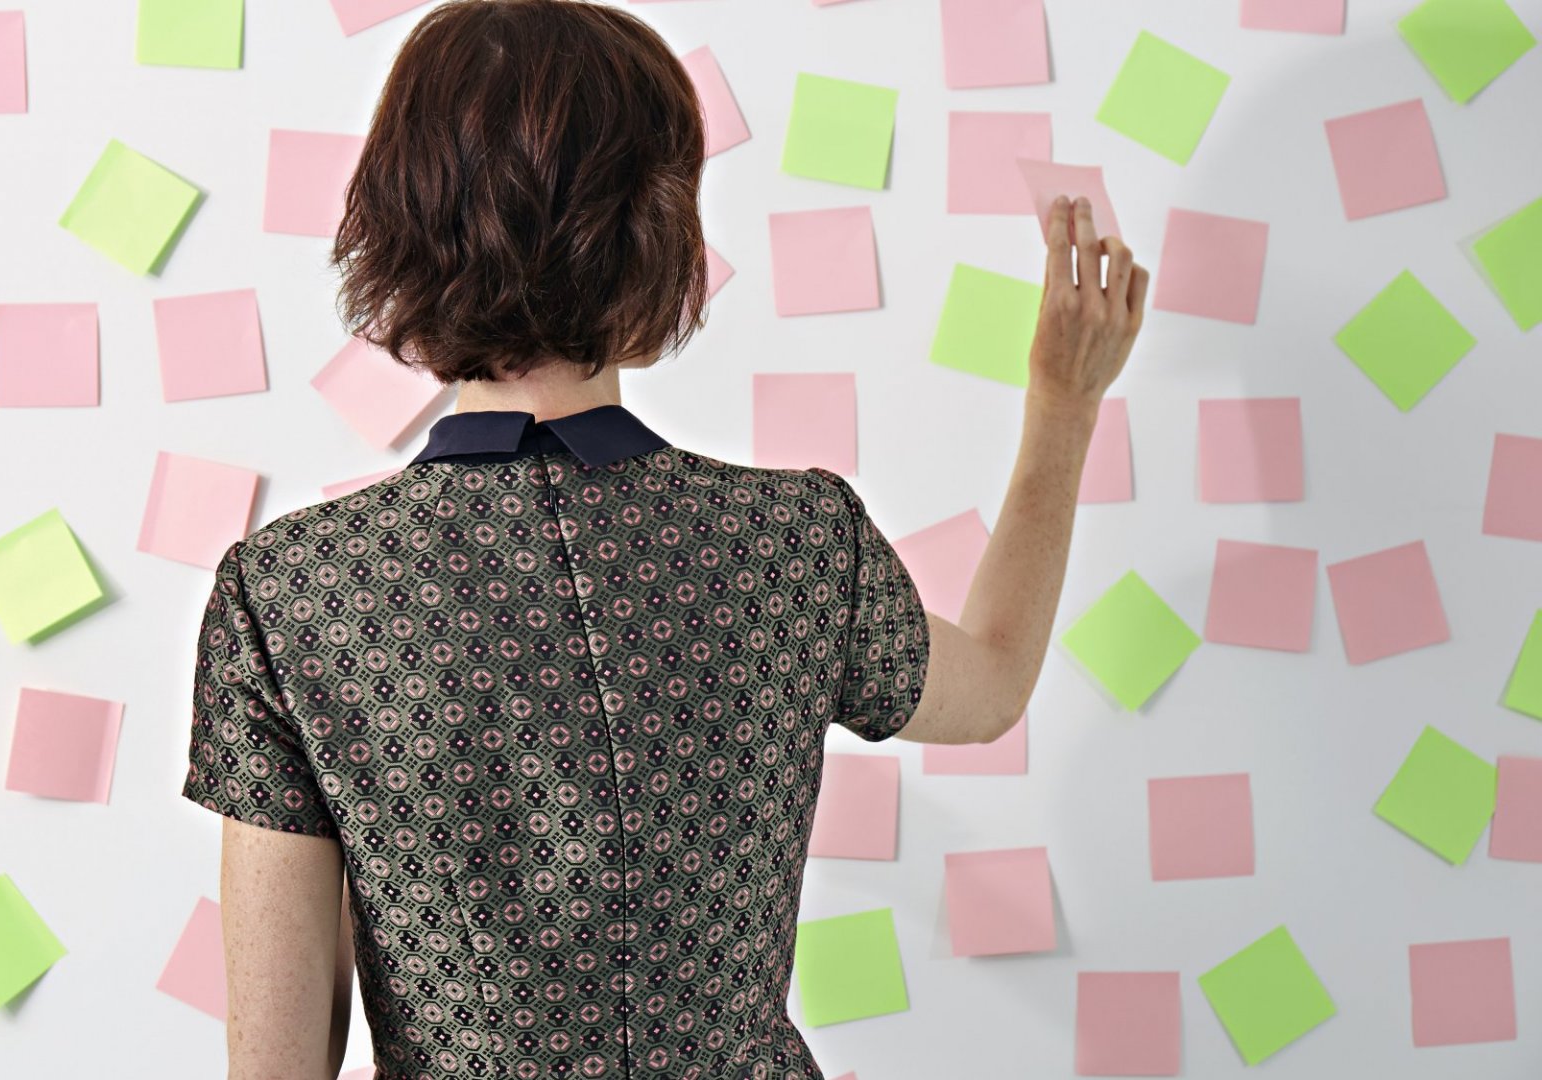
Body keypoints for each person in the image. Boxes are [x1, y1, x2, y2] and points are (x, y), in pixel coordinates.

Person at [180, 0, 1148, 1076]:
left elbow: (279, 1067)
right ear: (659, 228)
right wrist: (1064, 403)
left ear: (399, 219)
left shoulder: (292, 594)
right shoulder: (793, 543)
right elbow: (996, 682)